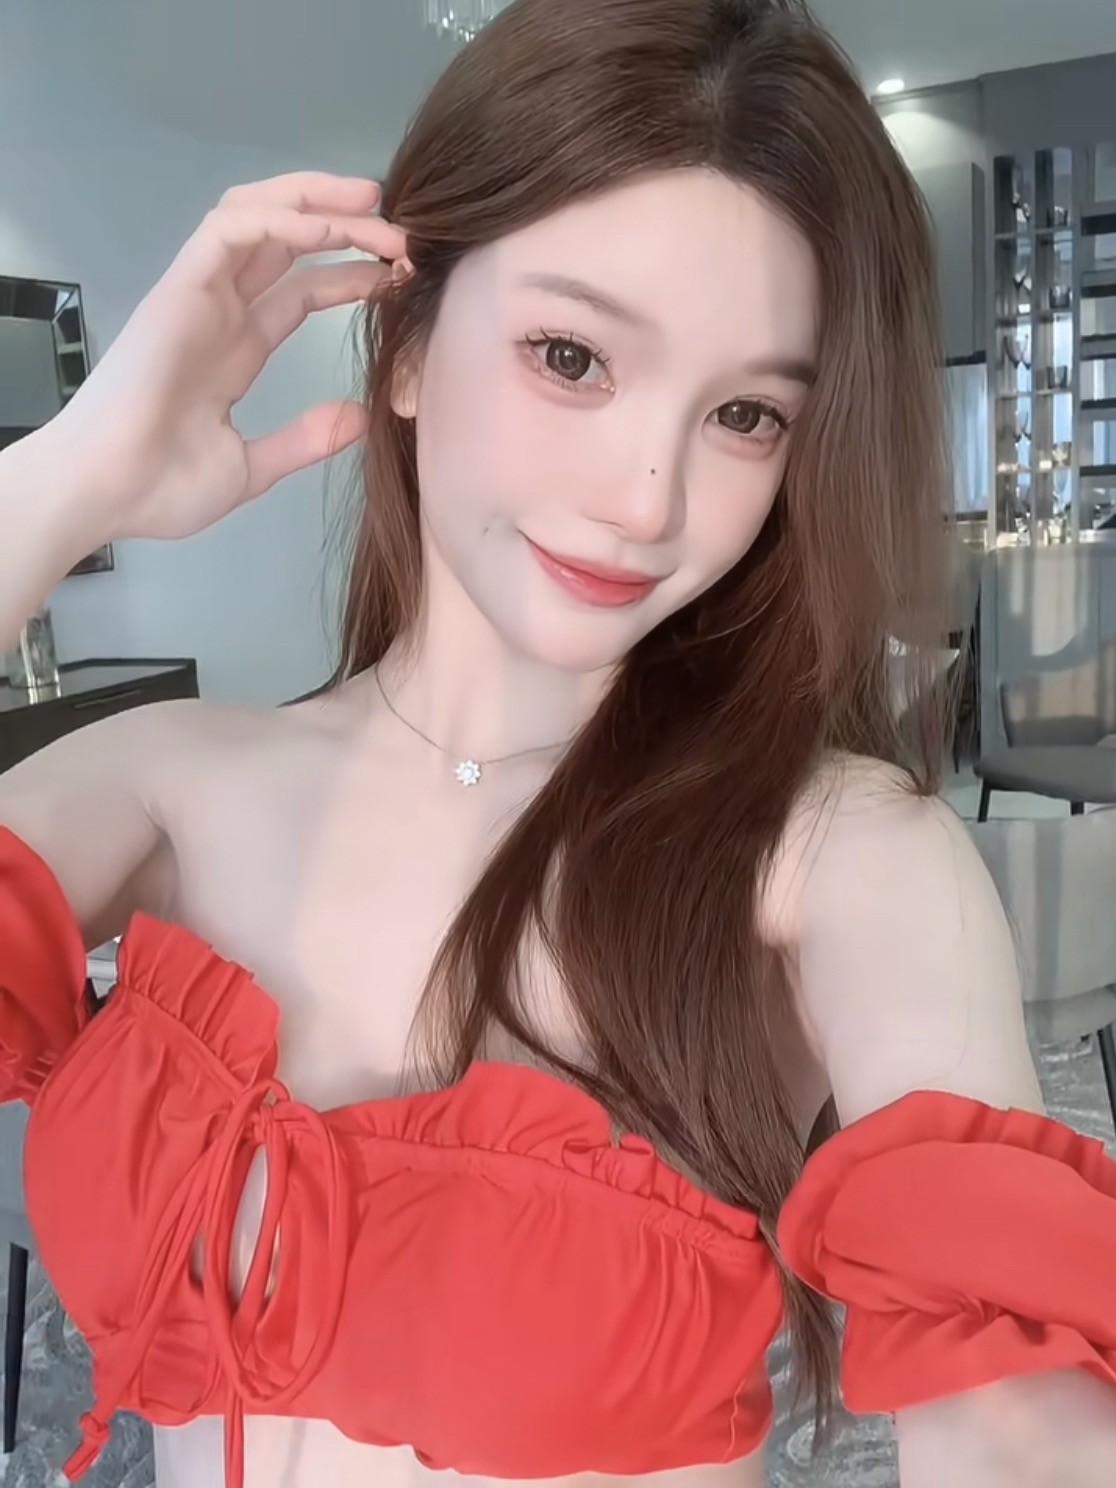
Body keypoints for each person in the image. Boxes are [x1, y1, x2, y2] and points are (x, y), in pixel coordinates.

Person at [0, 2, 1114, 1487]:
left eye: (743, 414)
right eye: (572, 355)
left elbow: (1020, 1428)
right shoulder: (171, 783)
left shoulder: (838, 856)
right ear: (405, 350)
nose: (646, 498)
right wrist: (60, 485)